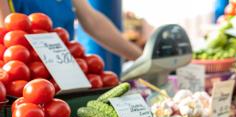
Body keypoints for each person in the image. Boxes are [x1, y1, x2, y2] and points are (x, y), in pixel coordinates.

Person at [0, 0, 142, 61]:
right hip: (25, 78)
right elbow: (7, 36)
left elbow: (93, 21)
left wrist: (141, 58)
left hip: (64, 71)